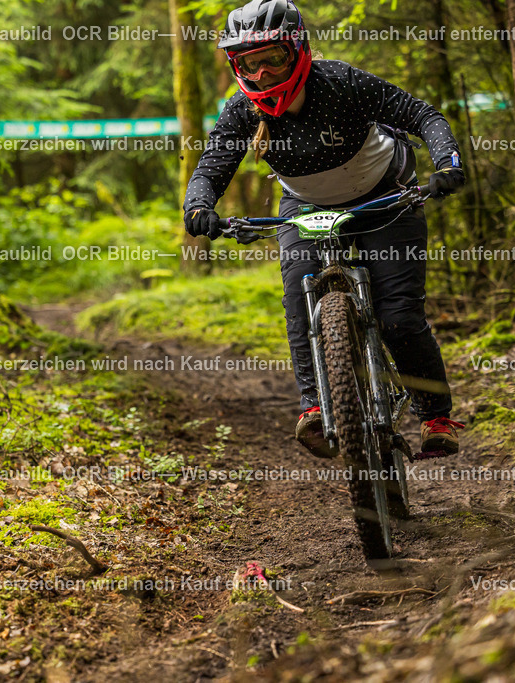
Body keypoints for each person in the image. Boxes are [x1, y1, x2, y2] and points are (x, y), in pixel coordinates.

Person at [183, 0, 466, 458]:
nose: (262, 75)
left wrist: (447, 162)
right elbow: (212, 166)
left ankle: (435, 416)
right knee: (300, 299)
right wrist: (199, 206)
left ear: (298, 50)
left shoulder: (341, 83)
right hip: (306, 207)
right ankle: (314, 407)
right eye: (250, 64)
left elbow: (422, 115)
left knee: (397, 315)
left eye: (273, 59)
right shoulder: (243, 110)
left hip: (386, 197)